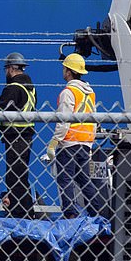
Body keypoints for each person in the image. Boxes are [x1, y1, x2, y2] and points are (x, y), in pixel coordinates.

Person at [0, 52, 37, 219]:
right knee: (20, 176)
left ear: (11, 69)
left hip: (15, 137)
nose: (5, 73)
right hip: (25, 137)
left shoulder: (13, 88)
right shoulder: (29, 87)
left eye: (6, 69)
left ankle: (20, 214)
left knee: (14, 177)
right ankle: (26, 212)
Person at [46, 53, 104, 219]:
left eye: (64, 68)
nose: (63, 71)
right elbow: (94, 118)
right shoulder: (89, 92)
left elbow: (64, 119)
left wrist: (54, 142)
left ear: (69, 71)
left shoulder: (68, 92)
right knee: (84, 179)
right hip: (85, 143)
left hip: (69, 142)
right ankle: (96, 213)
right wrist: (90, 143)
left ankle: (70, 214)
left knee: (65, 179)